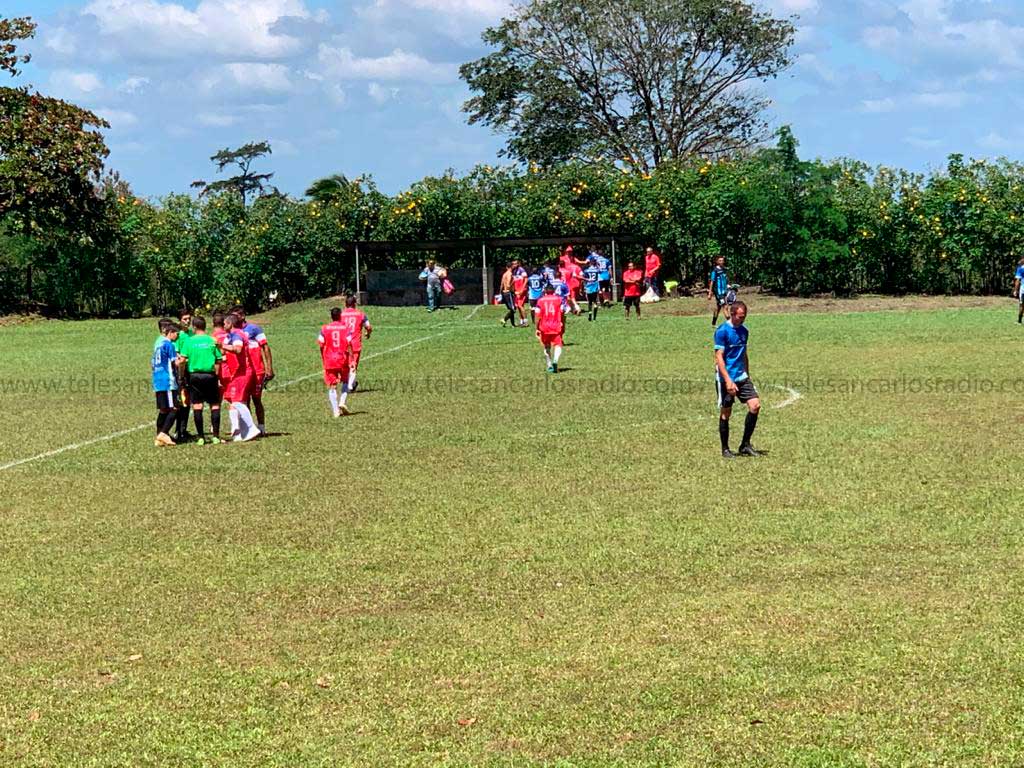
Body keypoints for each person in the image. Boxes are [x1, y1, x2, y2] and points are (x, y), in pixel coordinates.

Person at [714, 301, 760, 459]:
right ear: (732, 314)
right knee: (726, 413)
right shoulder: (722, 331)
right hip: (726, 377)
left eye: (744, 316)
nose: (743, 319)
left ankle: (745, 445)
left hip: (741, 376)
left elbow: (744, 354)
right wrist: (727, 380)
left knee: (755, 406)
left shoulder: (744, 331)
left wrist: (748, 375)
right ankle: (725, 449)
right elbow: (718, 357)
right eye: (740, 317)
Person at [177, 315, 223, 445]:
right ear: (205, 326)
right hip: (210, 375)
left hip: (195, 376)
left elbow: (183, 360)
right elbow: (219, 360)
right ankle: (215, 436)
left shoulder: (189, 341)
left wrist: (181, 376)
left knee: (197, 405)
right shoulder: (211, 340)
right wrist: (217, 375)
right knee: (214, 405)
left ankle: (201, 437)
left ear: (194, 326)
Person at [231, 304, 274, 437]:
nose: (233, 319)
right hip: (242, 371)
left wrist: (269, 367)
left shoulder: (254, 329)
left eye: (236, 316)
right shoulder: (233, 332)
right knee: (244, 400)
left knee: (256, 399)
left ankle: (261, 427)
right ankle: (248, 428)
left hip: (257, 370)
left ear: (242, 316)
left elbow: (265, 347)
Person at [221, 313, 260, 442]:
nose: (223, 325)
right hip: (241, 371)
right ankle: (243, 433)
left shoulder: (237, 335)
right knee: (240, 401)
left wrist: (222, 346)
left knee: (237, 401)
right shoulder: (238, 334)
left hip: (243, 372)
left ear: (230, 324)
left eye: (225, 323)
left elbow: (238, 349)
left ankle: (251, 428)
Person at [319, 306, 355, 417]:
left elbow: (321, 343)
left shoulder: (324, 329)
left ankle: (335, 411)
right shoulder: (345, 328)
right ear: (340, 316)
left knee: (332, 386)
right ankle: (342, 402)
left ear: (331, 317)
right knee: (346, 381)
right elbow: (349, 344)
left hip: (329, 360)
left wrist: (323, 357)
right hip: (342, 359)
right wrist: (352, 360)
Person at [151, 319, 182, 447]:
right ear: (170, 332)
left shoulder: (158, 343)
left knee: (164, 409)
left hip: (157, 379)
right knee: (175, 407)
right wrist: (184, 359)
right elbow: (175, 362)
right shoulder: (169, 345)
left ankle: (159, 437)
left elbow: (153, 362)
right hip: (168, 380)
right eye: (176, 334)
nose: (177, 336)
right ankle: (164, 433)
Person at [339, 294, 372, 393]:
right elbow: (369, 327)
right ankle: (350, 386)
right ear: (354, 304)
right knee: (352, 366)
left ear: (345, 304)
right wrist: (368, 333)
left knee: (344, 366)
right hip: (355, 345)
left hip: (343, 345)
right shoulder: (360, 315)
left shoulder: (341, 315)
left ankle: (351, 384)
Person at [172, 308, 194, 442]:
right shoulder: (178, 335)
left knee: (187, 401)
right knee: (181, 401)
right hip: (181, 371)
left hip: (191, 370)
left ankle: (183, 430)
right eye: (185, 319)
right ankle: (177, 431)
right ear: (179, 320)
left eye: (189, 319)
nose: (187, 321)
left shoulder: (191, 334)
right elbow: (176, 354)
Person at [534, 283, 565, 373]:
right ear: (554, 291)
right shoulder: (559, 299)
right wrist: (562, 322)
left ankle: (549, 365)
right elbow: (563, 311)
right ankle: (555, 360)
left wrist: (537, 328)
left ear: (545, 291)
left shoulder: (540, 301)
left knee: (546, 346)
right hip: (556, 326)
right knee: (558, 345)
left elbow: (537, 315)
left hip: (544, 327)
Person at [708, 255, 730, 327]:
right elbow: (712, 281)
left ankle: (713, 323)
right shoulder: (715, 271)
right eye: (720, 260)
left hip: (724, 291)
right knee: (725, 306)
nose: (721, 262)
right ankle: (730, 323)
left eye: (722, 260)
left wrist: (728, 286)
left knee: (718, 307)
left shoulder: (724, 269)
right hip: (718, 292)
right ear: (717, 262)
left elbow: (725, 280)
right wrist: (710, 292)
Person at [582, 257, 602, 321]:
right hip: (595, 287)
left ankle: (590, 315)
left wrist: (583, 287)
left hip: (589, 287)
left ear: (590, 263)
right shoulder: (596, 270)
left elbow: (584, 279)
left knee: (589, 302)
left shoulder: (586, 270)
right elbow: (600, 271)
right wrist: (597, 265)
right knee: (595, 302)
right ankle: (594, 317)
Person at [499, 263, 518, 327]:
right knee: (513, 309)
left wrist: (500, 292)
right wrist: (513, 282)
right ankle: (504, 319)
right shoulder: (510, 274)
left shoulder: (504, 274)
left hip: (504, 293)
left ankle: (513, 324)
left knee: (511, 309)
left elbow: (501, 284)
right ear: (511, 267)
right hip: (509, 293)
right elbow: (508, 285)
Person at [1014, 257, 1024, 323]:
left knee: (1021, 305)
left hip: (1023, 290)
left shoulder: (1020, 268)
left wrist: (1015, 290)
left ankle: (1019, 321)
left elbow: (1017, 281)